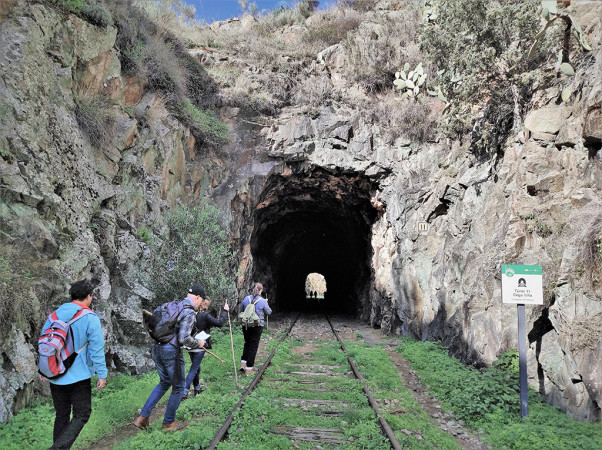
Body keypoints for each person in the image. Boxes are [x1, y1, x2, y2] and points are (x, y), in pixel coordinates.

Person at [42, 279, 108, 450]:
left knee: (62, 415)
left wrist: (43, 369)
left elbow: (44, 343)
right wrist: (102, 374)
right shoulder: (90, 318)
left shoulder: (54, 315)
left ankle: (58, 447)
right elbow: (96, 349)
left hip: (55, 373)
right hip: (79, 376)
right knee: (82, 414)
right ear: (88, 296)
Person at [133, 284, 207, 432]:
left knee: (164, 382)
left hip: (157, 347)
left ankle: (142, 418)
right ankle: (168, 423)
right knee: (179, 387)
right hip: (171, 351)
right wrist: (198, 343)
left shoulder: (172, 305)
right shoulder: (188, 311)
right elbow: (184, 338)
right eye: (201, 301)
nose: (200, 304)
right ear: (198, 297)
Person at [182, 298, 229, 399]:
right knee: (194, 368)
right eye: (208, 304)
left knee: (196, 367)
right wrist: (225, 310)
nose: (208, 307)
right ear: (205, 304)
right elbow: (220, 323)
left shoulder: (191, 313)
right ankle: (184, 391)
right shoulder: (205, 315)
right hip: (200, 345)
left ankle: (197, 388)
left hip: (190, 344)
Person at [239, 283, 271, 376]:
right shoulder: (262, 301)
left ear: (253, 289)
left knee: (247, 343)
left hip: (246, 325)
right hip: (257, 326)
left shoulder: (246, 299)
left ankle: (243, 364)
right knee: (253, 345)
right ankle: (249, 368)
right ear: (261, 291)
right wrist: (266, 302)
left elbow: (241, 309)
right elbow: (268, 312)